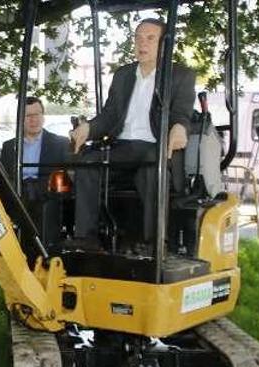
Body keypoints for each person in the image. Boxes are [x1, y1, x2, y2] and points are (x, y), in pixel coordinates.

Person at [69, 18, 196, 249]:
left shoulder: (180, 76)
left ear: (164, 45)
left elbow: (182, 114)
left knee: (150, 163)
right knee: (87, 161)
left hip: (156, 147)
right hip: (123, 147)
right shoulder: (123, 75)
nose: (142, 44)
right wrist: (87, 128)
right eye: (138, 38)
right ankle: (85, 238)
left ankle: (154, 242)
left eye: (150, 38)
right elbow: (108, 116)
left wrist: (179, 129)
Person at [0, 96, 71, 239]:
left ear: (43, 117)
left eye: (37, 114)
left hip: (47, 196)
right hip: (19, 197)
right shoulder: (8, 147)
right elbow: (3, 180)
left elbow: (65, 180)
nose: (34, 120)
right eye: (29, 116)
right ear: (20, 119)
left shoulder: (61, 143)